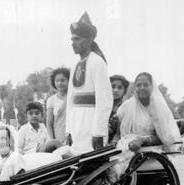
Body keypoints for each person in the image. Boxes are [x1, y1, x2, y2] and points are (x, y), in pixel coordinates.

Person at [66, 12, 113, 153]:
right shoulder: (74, 65)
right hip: (76, 125)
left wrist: (98, 132)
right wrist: (68, 130)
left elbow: (105, 99)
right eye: (72, 39)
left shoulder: (98, 62)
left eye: (77, 39)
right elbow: (70, 100)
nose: (73, 43)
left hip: (91, 125)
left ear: (89, 40)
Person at [112, 72, 181, 152]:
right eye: (138, 85)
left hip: (150, 152)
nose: (142, 88)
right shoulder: (126, 106)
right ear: (135, 88)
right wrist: (114, 142)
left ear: (152, 87)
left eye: (145, 85)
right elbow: (118, 134)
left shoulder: (159, 108)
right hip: (124, 148)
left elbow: (165, 138)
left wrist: (143, 140)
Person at [46, 68, 70, 143]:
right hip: (58, 138)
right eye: (57, 81)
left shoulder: (73, 98)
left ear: (69, 81)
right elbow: (49, 123)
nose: (60, 83)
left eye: (63, 80)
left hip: (74, 135)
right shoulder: (51, 100)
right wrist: (53, 141)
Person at [108, 75, 130, 144]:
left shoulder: (125, 107)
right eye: (113, 86)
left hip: (113, 143)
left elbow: (119, 134)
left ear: (124, 91)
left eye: (120, 88)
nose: (116, 90)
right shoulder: (102, 105)